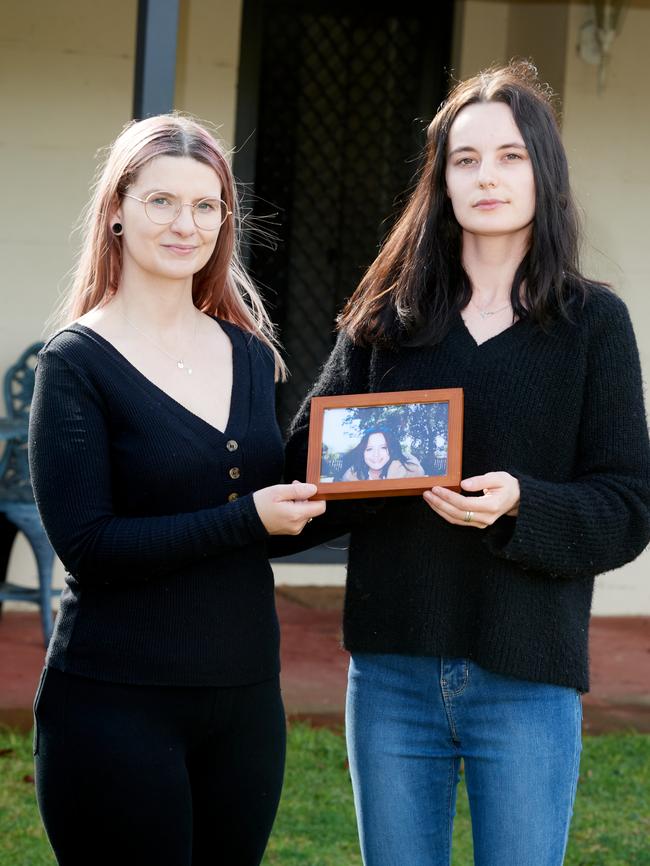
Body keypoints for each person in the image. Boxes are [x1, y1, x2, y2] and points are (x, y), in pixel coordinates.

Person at [278, 62, 650, 866]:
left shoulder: (593, 325)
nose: (488, 176)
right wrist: (373, 478)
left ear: (544, 173)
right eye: (465, 158)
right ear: (441, 180)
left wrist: (523, 505)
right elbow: (307, 476)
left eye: (511, 155)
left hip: (527, 677)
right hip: (391, 676)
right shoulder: (387, 321)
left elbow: (627, 507)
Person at [28, 114, 324, 866]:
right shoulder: (77, 363)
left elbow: (270, 509)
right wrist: (245, 517)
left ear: (225, 220)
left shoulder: (249, 354)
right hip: (115, 702)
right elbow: (89, 547)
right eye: (162, 201)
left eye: (205, 205)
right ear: (118, 210)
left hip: (246, 700)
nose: (184, 224)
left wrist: (383, 484)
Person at [339, 428, 424, 480]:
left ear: (392, 450)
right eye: (369, 449)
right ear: (362, 453)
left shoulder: (409, 473)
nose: (376, 454)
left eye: (383, 448)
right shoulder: (350, 478)